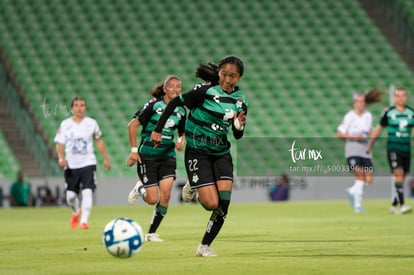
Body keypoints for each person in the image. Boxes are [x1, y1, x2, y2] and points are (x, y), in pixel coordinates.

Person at [151, 55, 248, 257]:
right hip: (198, 151)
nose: (228, 80)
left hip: (221, 153)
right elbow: (174, 103)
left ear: (239, 78)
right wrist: (158, 130)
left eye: (233, 76)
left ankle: (204, 247)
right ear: (219, 72)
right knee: (210, 204)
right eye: (224, 74)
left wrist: (239, 126)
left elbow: (238, 134)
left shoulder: (240, 100)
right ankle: (193, 184)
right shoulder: (204, 91)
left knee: (223, 203)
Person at [126, 75, 186, 242]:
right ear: (165, 89)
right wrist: (133, 150)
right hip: (148, 156)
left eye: (178, 86)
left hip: (168, 156)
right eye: (172, 86)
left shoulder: (181, 109)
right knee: (152, 199)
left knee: (165, 196)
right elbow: (132, 125)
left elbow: (181, 132)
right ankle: (141, 189)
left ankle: (151, 233)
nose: (175, 89)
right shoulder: (154, 105)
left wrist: (181, 141)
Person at [54, 96, 111, 229]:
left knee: (87, 192)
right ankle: (76, 211)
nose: (79, 108)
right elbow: (59, 143)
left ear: (85, 108)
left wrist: (106, 159)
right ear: (72, 108)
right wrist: (61, 158)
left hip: (88, 163)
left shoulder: (92, 123)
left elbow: (99, 141)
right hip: (71, 165)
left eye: (82, 105)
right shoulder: (65, 124)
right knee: (70, 197)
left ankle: (84, 221)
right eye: (76, 105)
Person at [367, 88, 414, 215]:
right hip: (393, 148)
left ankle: (394, 204)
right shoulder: (389, 112)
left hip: (406, 149)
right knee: (398, 174)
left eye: (403, 95)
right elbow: (379, 128)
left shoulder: (411, 112)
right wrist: (370, 144)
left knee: (402, 178)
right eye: (398, 96)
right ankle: (403, 205)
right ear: (395, 98)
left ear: (406, 97)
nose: (400, 98)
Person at [337, 89, 382, 213]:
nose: (361, 104)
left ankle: (352, 191)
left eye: (362, 102)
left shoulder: (368, 116)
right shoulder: (349, 116)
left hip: (365, 149)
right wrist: (355, 136)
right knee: (360, 174)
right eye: (358, 102)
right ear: (354, 103)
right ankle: (357, 205)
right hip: (353, 148)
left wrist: (374, 134)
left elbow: (370, 132)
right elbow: (340, 134)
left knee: (368, 179)